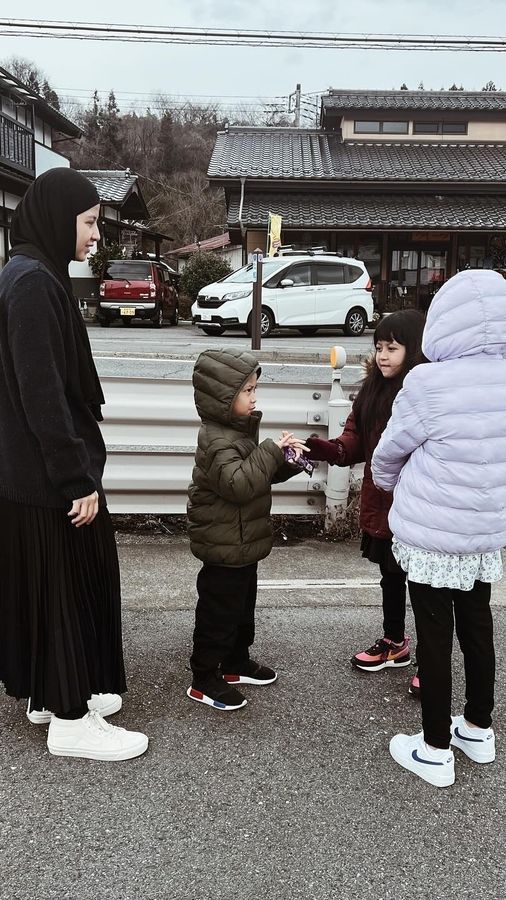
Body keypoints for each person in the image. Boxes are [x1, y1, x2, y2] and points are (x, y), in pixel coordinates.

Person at [0, 168, 148, 761]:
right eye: (88, 223)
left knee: (47, 589)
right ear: (59, 218)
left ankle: (50, 693)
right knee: (66, 587)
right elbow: (43, 393)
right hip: (45, 477)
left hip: (26, 476)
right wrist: (75, 478)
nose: (94, 237)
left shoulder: (30, 273)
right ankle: (69, 720)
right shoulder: (33, 283)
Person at [372, 269, 506, 788]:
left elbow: (389, 453)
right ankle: (478, 727)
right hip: (483, 532)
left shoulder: (428, 382)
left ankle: (433, 748)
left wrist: (389, 485)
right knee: (478, 625)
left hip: (432, 532)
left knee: (433, 635)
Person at [305, 310, 425, 691]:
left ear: (415, 349)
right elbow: (354, 440)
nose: (384, 355)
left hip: (421, 505)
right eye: (378, 347)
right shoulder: (371, 389)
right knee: (391, 576)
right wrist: (325, 448)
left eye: (392, 347)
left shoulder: (424, 390)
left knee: (425, 587)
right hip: (381, 501)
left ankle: (431, 661)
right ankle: (394, 642)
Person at [186, 348, 308, 710]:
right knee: (218, 613)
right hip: (222, 546)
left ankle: (235, 662)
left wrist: (289, 462)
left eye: (255, 389)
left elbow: (257, 477)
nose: (255, 397)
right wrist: (271, 450)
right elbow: (238, 484)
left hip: (242, 545)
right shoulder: (217, 440)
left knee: (242, 609)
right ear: (223, 397)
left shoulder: (237, 431)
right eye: (248, 391)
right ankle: (204, 677)